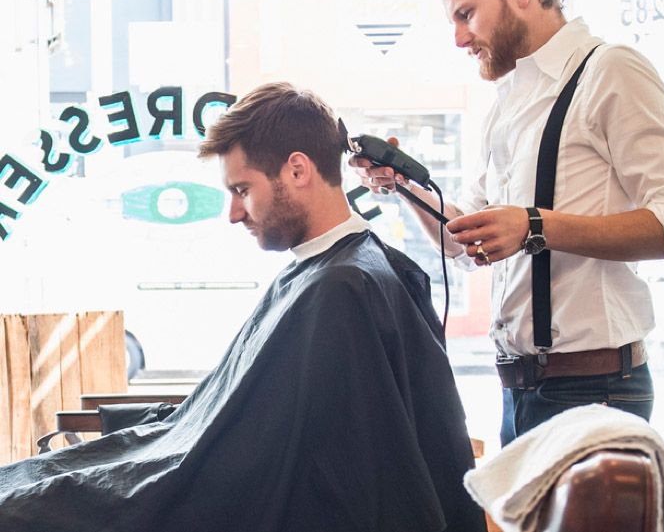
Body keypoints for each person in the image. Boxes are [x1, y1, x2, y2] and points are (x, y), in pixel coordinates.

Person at [0, 82, 487, 532]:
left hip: (213, 493)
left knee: (25, 504)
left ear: (297, 170)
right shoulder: (340, 272)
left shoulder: (342, 289)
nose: (233, 214)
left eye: (241, 190)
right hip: (201, 464)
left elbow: (281, 471)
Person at [350, 0, 664, 447]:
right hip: (519, 393)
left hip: (596, 391)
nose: (458, 38)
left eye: (466, 14)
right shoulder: (506, 103)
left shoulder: (611, 71)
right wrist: (403, 183)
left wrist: (535, 226)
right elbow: (463, 241)